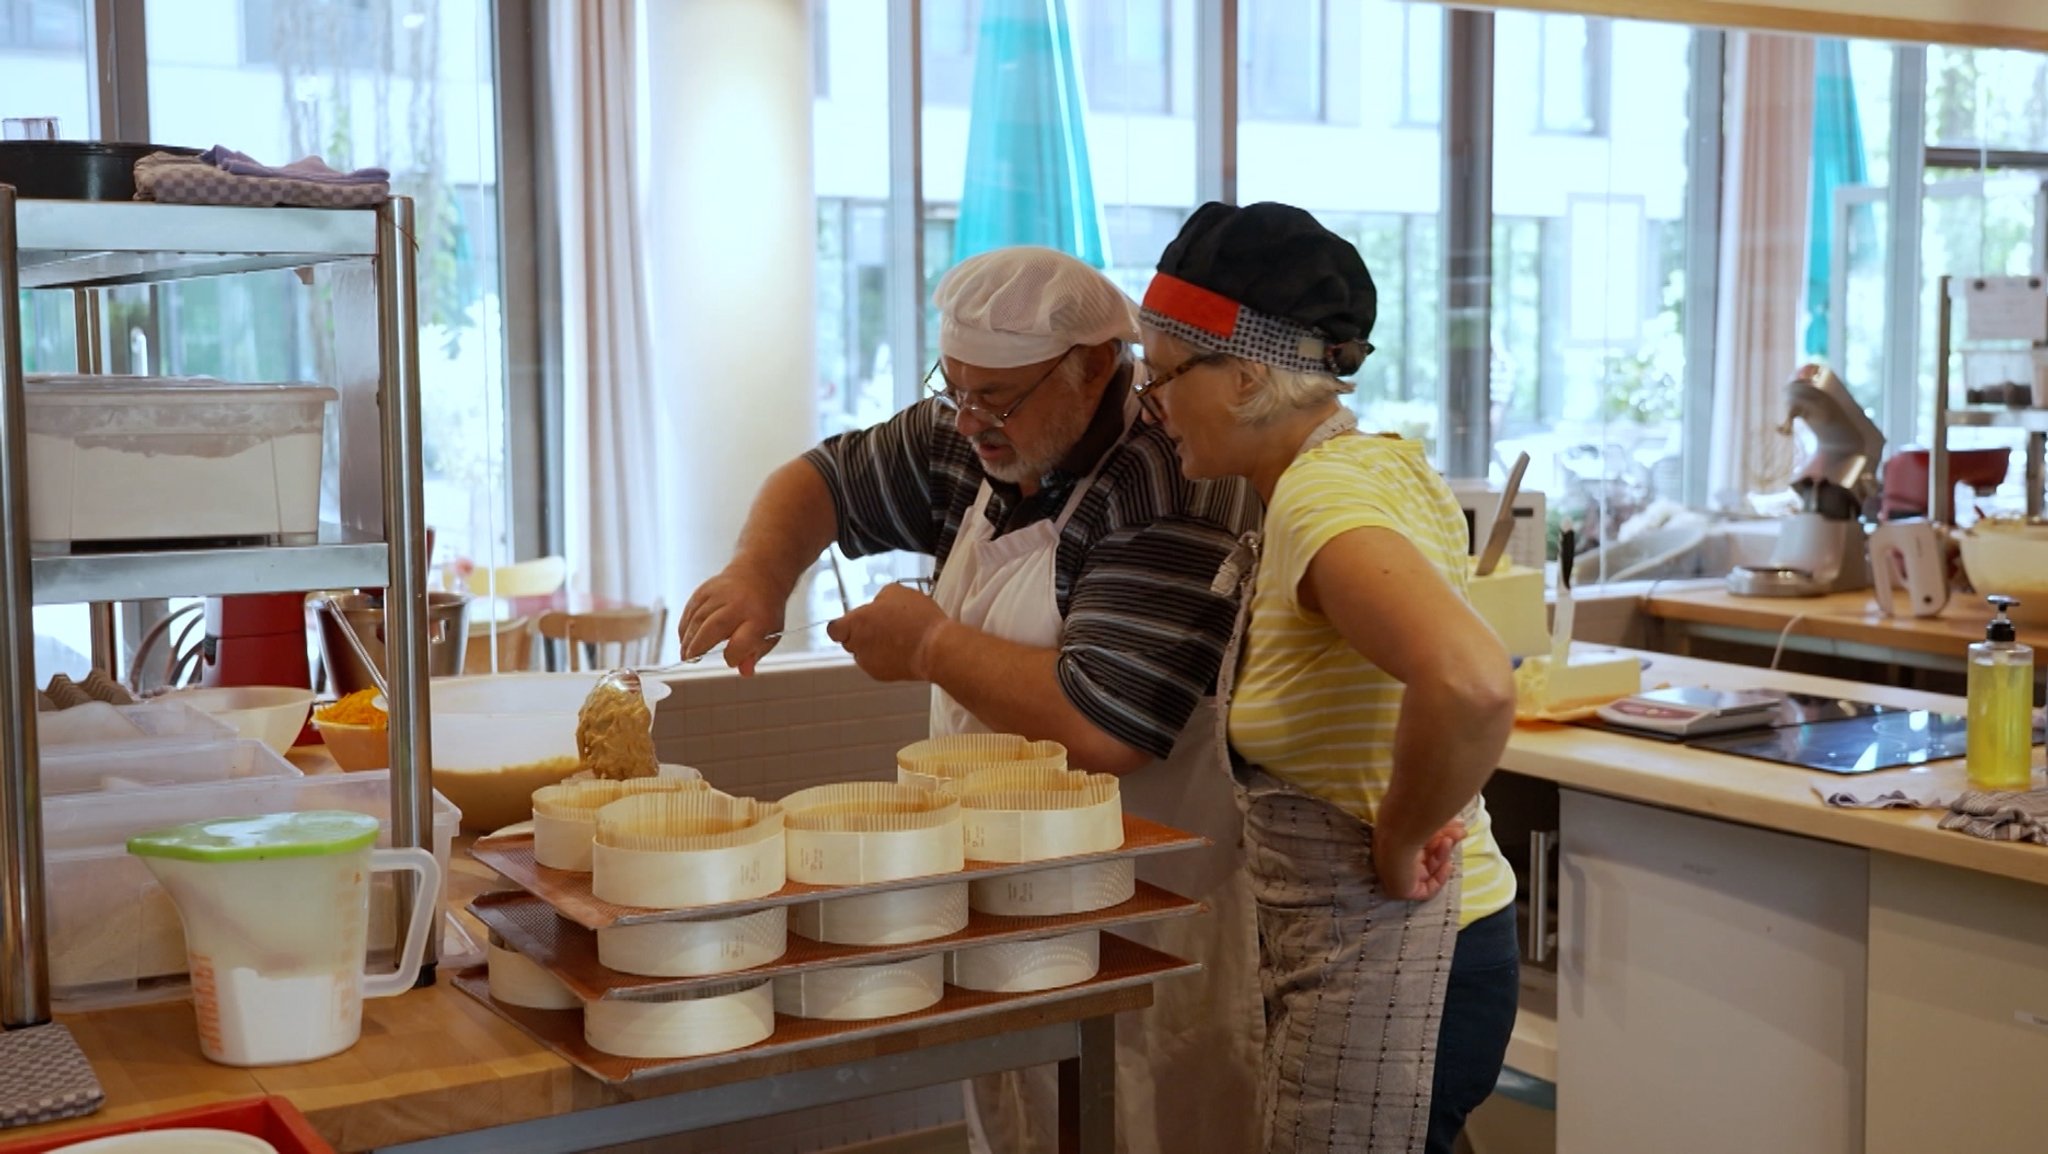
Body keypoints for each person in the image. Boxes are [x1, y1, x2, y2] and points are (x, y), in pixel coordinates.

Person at [680, 245, 1264, 1154]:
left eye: (999, 397)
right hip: (1005, 890)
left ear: (1096, 367)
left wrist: (930, 644)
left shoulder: (1166, 480)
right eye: (954, 388)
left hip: (1147, 901)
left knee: (1142, 1114)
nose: (970, 421)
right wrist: (758, 574)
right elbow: (824, 482)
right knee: (1020, 1112)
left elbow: (1106, 723)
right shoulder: (971, 432)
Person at [1132, 201, 1521, 1154]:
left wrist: (1400, 833)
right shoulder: (1373, 467)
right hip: (1420, 942)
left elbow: (1471, 681)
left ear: (1246, 374)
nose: (1153, 405)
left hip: (1404, 937)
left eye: (1163, 375)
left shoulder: (1321, 492)